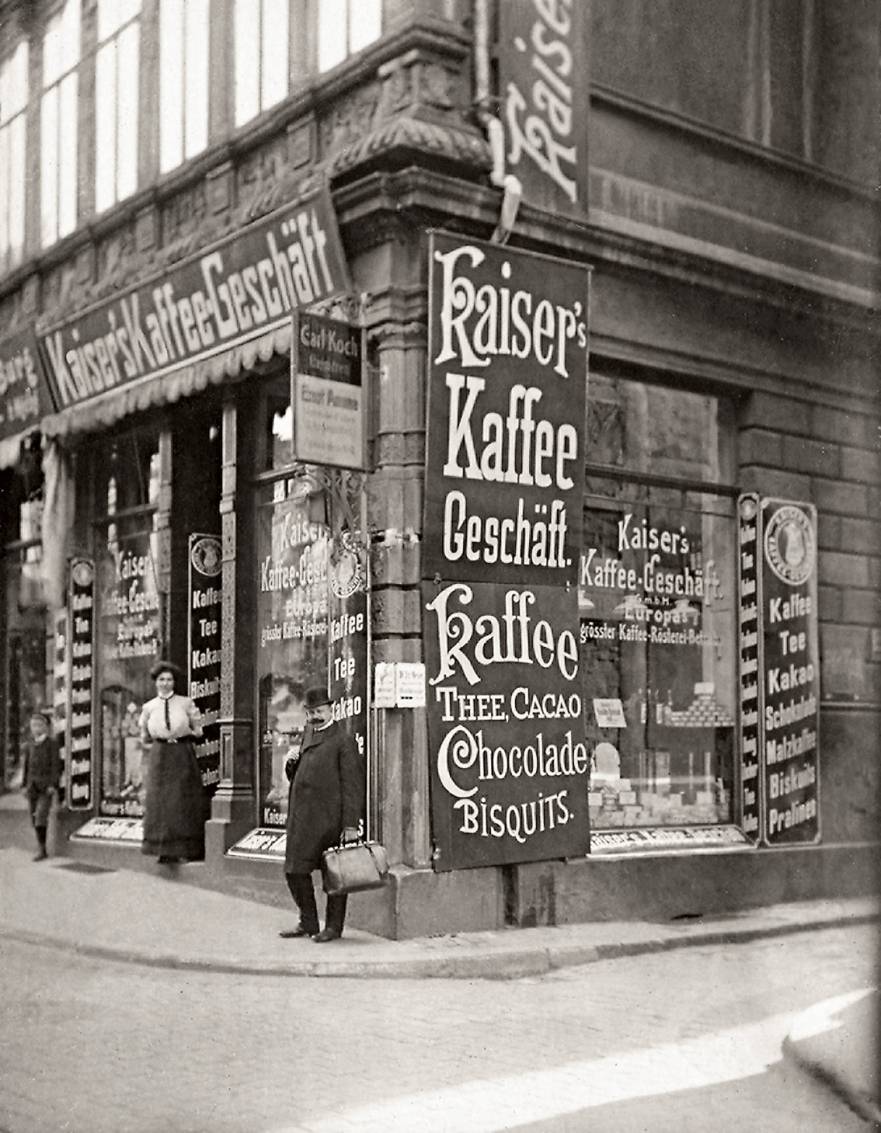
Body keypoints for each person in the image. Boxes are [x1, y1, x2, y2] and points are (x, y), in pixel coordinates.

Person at [280, 685, 365, 943]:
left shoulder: (342, 740)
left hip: (330, 819)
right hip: (302, 818)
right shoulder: (307, 734)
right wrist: (292, 764)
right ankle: (308, 922)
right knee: (294, 870)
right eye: (311, 712)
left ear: (331, 711)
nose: (315, 716)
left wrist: (350, 825)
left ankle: (333, 928)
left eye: (319, 711)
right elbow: (300, 775)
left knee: (335, 874)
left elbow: (352, 785)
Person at [138, 660, 204, 865]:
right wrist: (155, 744)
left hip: (181, 752)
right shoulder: (149, 707)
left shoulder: (185, 703)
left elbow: (198, 728)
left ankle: (184, 848)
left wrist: (187, 735)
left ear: (174, 682)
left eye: (169, 679)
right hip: (160, 754)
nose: (165, 683)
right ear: (156, 682)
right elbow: (143, 734)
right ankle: (162, 849)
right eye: (161, 679)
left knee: (181, 799)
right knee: (160, 801)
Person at [22, 710, 61, 861]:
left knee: (40, 815)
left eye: (39, 725)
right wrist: (24, 785)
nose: (36, 728)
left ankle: (42, 849)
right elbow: (26, 766)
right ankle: (40, 843)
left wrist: (53, 784)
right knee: (33, 817)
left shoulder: (52, 744)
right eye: (33, 725)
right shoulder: (30, 745)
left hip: (46, 787)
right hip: (32, 786)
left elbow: (56, 766)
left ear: (45, 727)